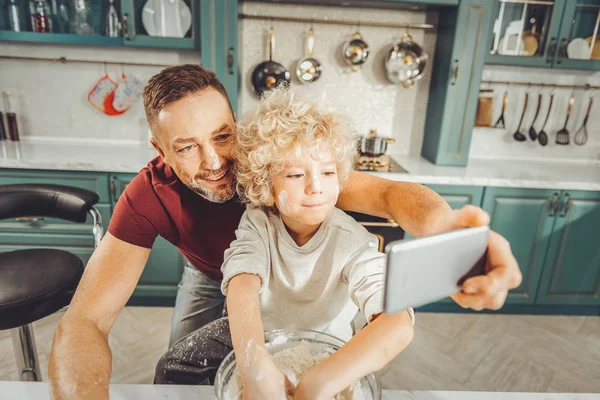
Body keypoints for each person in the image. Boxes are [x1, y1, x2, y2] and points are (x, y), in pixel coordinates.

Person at [48, 64, 521, 400]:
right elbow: (86, 321)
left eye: (222, 136)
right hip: (211, 274)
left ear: (237, 128)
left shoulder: (279, 162)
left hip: (288, 293)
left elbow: (388, 197)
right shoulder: (148, 196)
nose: (214, 163)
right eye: (187, 147)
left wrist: (447, 233)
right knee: (180, 371)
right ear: (159, 149)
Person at [154, 87, 416, 399]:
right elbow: (242, 284)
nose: (316, 187)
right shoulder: (258, 222)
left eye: (328, 171)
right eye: (294, 175)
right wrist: (253, 363)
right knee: (173, 365)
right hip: (261, 334)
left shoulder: (352, 242)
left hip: (325, 347)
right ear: (266, 182)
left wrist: (318, 383)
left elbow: (398, 321)